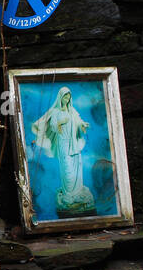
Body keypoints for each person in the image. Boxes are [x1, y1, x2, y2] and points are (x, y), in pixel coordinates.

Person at [29, 86, 95, 216]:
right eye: (65, 96)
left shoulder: (72, 111)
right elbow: (53, 126)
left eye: (69, 96)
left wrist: (83, 125)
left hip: (74, 144)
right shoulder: (56, 112)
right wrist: (60, 123)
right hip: (63, 144)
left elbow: (78, 121)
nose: (67, 98)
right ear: (60, 97)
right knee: (67, 171)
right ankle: (69, 195)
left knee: (77, 169)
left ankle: (78, 193)